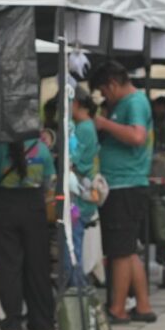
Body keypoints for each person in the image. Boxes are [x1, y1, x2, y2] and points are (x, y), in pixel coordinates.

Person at [89, 60, 157, 324]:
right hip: (125, 184)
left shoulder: (134, 103)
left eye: (103, 92)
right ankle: (143, 306)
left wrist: (104, 124)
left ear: (112, 84)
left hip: (125, 185)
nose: (104, 97)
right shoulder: (127, 103)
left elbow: (137, 136)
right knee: (127, 250)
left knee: (119, 250)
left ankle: (117, 308)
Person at [0, 135, 57, 330]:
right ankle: (42, 321)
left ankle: (12, 322)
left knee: (8, 264)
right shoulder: (41, 147)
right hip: (34, 207)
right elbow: (48, 182)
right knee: (38, 264)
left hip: (3, 207)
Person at [67, 89, 101, 288]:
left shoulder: (83, 128)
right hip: (83, 194)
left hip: (79, 197)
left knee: (73, 247)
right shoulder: (87, 126)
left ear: (76, 104)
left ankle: (77, 291)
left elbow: (73, 159)